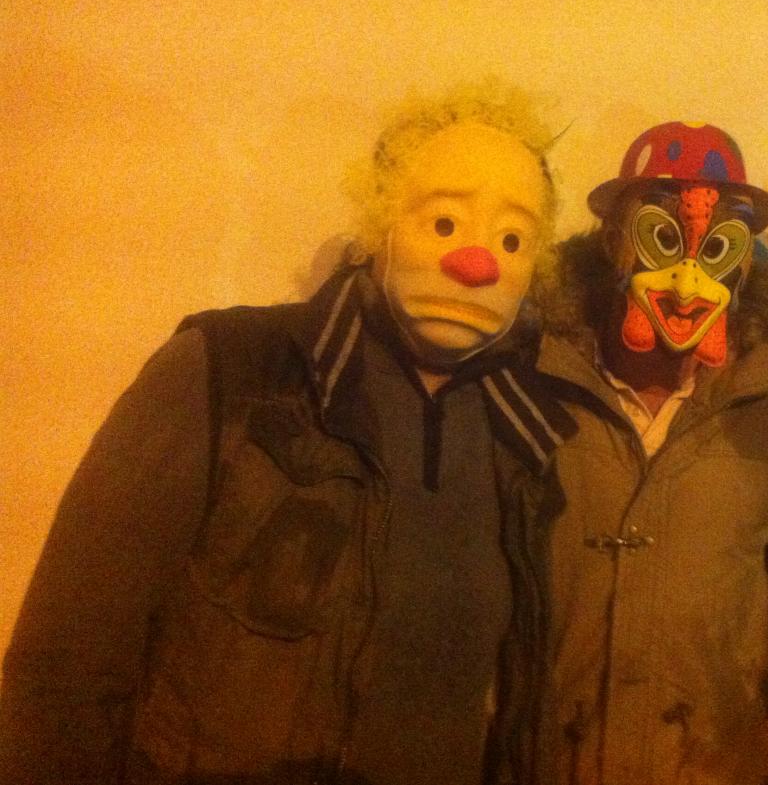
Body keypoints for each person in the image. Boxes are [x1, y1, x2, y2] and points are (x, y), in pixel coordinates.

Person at [0, 81, 561, 784]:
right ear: (381, 220)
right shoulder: (228, 370)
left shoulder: (525, 432)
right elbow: (67, 666)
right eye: (444, 222)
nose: (476, 262)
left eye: (511, 239)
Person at [508, 121, 768, 785]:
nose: (685, 282)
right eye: (660, 239)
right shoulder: (527, 375)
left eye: (719, 247)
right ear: (613, 240)